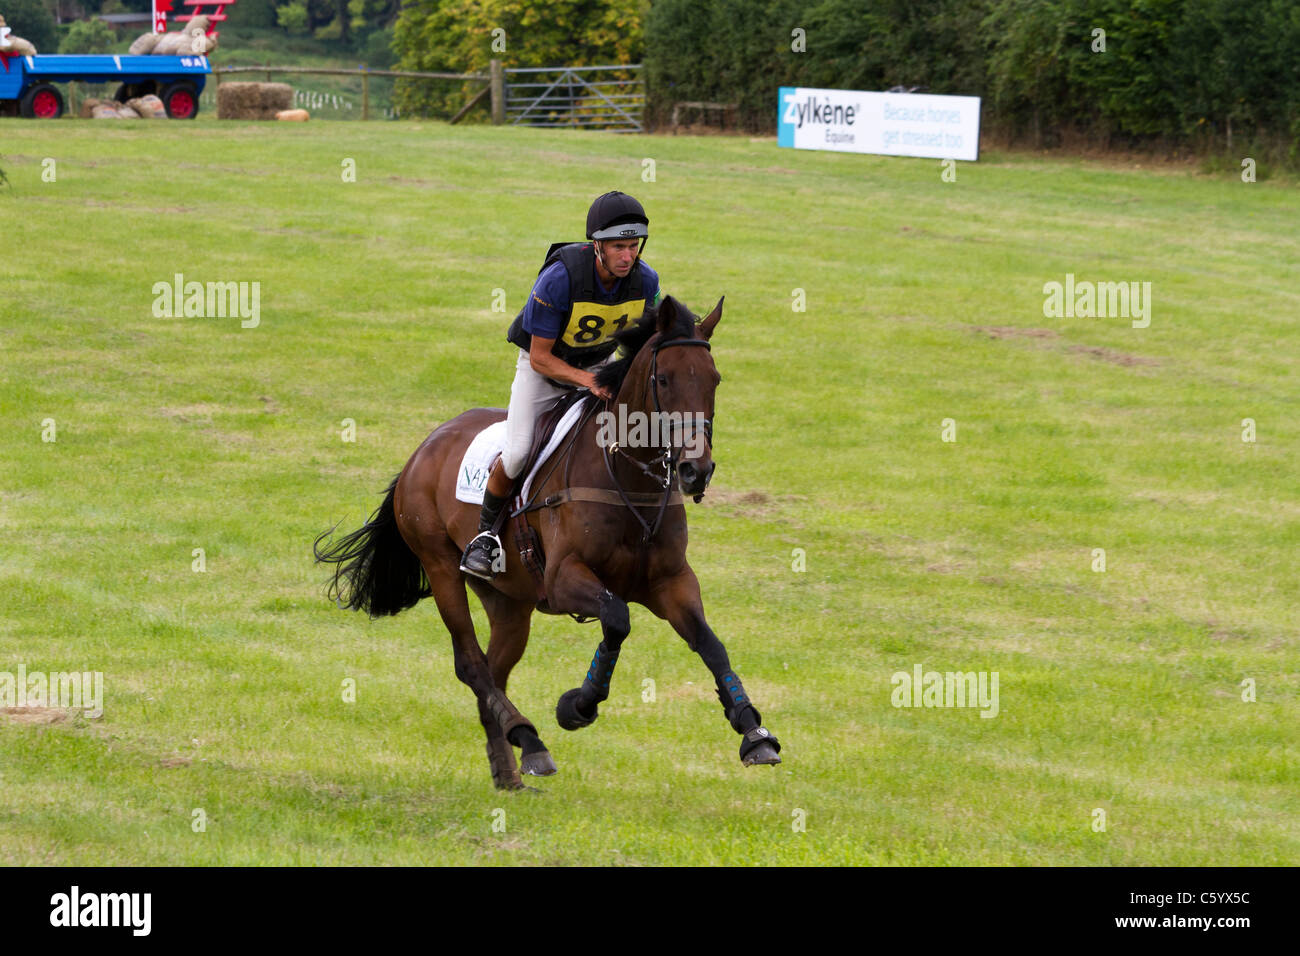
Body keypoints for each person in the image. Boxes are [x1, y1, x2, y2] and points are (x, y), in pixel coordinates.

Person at [459, 191, 661, 580]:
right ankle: (484, 536)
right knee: (518, 452)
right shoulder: (560, 278)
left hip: (598, 368)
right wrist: (589, 380)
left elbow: (646, 343)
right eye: (619, 247)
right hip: (543, 373)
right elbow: (540, 357)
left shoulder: (646, 280)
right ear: (596, 246)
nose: (628, 256)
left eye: (633, 247)